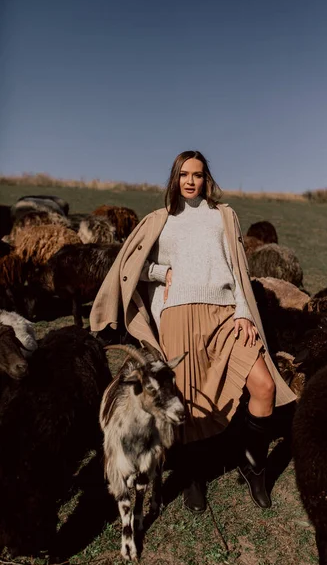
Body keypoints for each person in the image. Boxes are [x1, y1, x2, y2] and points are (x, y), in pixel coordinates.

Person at [90, 150, 296, 513]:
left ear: (206, 179)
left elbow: (238, 270)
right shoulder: (159, 220)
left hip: (226, 314)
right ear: (174, 178)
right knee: (184, 401)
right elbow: (130, 265)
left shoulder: (223, 216)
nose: (190, 181)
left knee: (263, 386)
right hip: (178, 317)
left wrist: (245, 313)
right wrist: (161, 273)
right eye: (184, 174)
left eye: (197, 175)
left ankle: (253, 466)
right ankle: (193, 475)